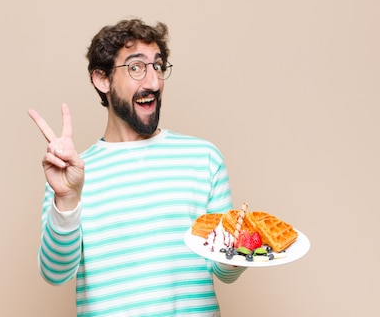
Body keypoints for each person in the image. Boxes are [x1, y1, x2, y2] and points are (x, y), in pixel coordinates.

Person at [28, 18, 246, 316]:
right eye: (136, 67)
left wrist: (239, 250)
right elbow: (55, 273)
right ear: (102, 79)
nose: (154, 82)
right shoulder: (73, 174)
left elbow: (223, 271)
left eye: (157, 66)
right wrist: (67, 200)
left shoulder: (203, 158)